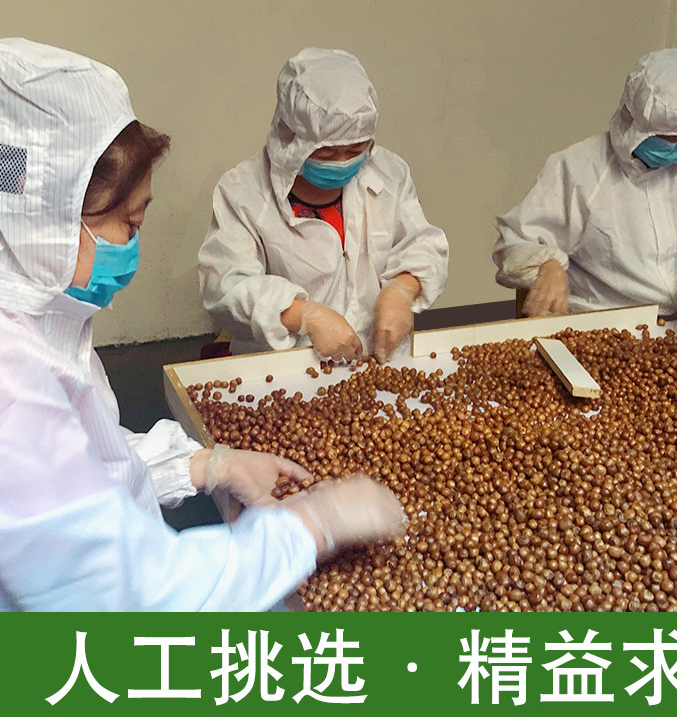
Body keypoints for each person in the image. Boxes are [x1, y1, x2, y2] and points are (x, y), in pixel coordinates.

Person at [0, 38, 405, 611]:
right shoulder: (9, 379)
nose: (132, 245)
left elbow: (80, 461)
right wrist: (312, 527)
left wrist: (203, 465)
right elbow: (136, 598)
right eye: (129, 223)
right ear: (48, 221)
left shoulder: (39, 320)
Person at [198, 48, 448, 363]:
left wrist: (402, 289)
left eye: (355, 149)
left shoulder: (389, 172)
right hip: (288, 364)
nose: (342, 162)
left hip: (379, 358)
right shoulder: (243, 191)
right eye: (327, 153)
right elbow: (225, 286)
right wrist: (304, 315)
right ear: (291, 139)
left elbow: (422, 243)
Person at [493, 48, 677, 331]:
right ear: (630, 118)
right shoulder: (578, 168)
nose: (673, 148)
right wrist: (547, 266)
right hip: (600, 325)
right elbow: (515, 240)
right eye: (662, 138)